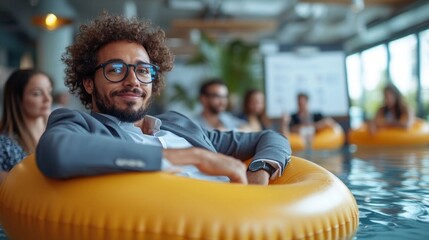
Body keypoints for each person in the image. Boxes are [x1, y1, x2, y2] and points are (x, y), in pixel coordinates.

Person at [36, 13, 291, 185]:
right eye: (115, 69)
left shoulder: (179, 124)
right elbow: (57, 153)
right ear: (88, 82)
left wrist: (260, 170)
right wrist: (192, 157)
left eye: (143, 70)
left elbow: (270, 137)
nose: (133, 80)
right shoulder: (81, 125)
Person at [0, 69, 53, 180]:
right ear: (17, 99)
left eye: (49, 92)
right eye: (37, 93)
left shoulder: (59, 133)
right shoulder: (4, 145)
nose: (47, 99)